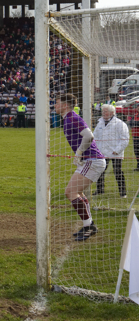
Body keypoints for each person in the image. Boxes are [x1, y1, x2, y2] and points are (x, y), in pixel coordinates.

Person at [56, 93, 107, 241]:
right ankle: (88, 226)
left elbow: (89, 136)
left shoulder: (72, 117)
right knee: (77, 193)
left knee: (71, 192)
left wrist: (78, 152)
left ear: (65, 105)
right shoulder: (68, 118)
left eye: (58, 103)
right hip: (89, 160)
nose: (55, 105)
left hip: (92, 160)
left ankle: (89, 226)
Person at [93, 104, 129, 198]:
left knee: (117, 172)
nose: (103, 113)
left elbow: (125, 139)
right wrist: (96, 149)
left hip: (115, 152)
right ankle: (100, 190)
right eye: (103, 111)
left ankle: (123, 193)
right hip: (102, 152)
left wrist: (117, 150)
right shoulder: (99, 122)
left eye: (105, 111)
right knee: (100, 171)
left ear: (112, 113)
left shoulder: (120, 124)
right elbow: (95, 136)